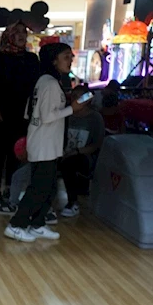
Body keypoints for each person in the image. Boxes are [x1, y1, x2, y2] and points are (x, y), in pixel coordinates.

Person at [5, 43, 90, 243]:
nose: (71, 60)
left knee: (49, 186)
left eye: (71, 56)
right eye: (66, 56)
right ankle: (16, 225)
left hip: (44, 142)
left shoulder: (43, 81)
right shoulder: (51, 83)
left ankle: (37, 223)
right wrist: (73, 108)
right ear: (54, 60)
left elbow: (30, 112)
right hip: (44, 144)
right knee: (40, 188)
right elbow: (47, 116)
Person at [0, 21, 41, 215]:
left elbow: (37, 86)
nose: (21, 35)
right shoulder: (0, 59)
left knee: (16, 152)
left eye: (23, 32)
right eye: (16, 32)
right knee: (0, 153)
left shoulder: (31, 59)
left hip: (23, 113)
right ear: (8, 35)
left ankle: (11, 188)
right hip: (3, 112)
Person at [59, 85, 105, 218]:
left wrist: (76, 151)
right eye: (73, 96)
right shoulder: (67, 115)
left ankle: (72, 202)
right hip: (65, 152)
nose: (74, 99)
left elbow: (97, 144)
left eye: (78, 97)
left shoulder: (95, 118)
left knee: (69, 164)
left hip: (85, 156)